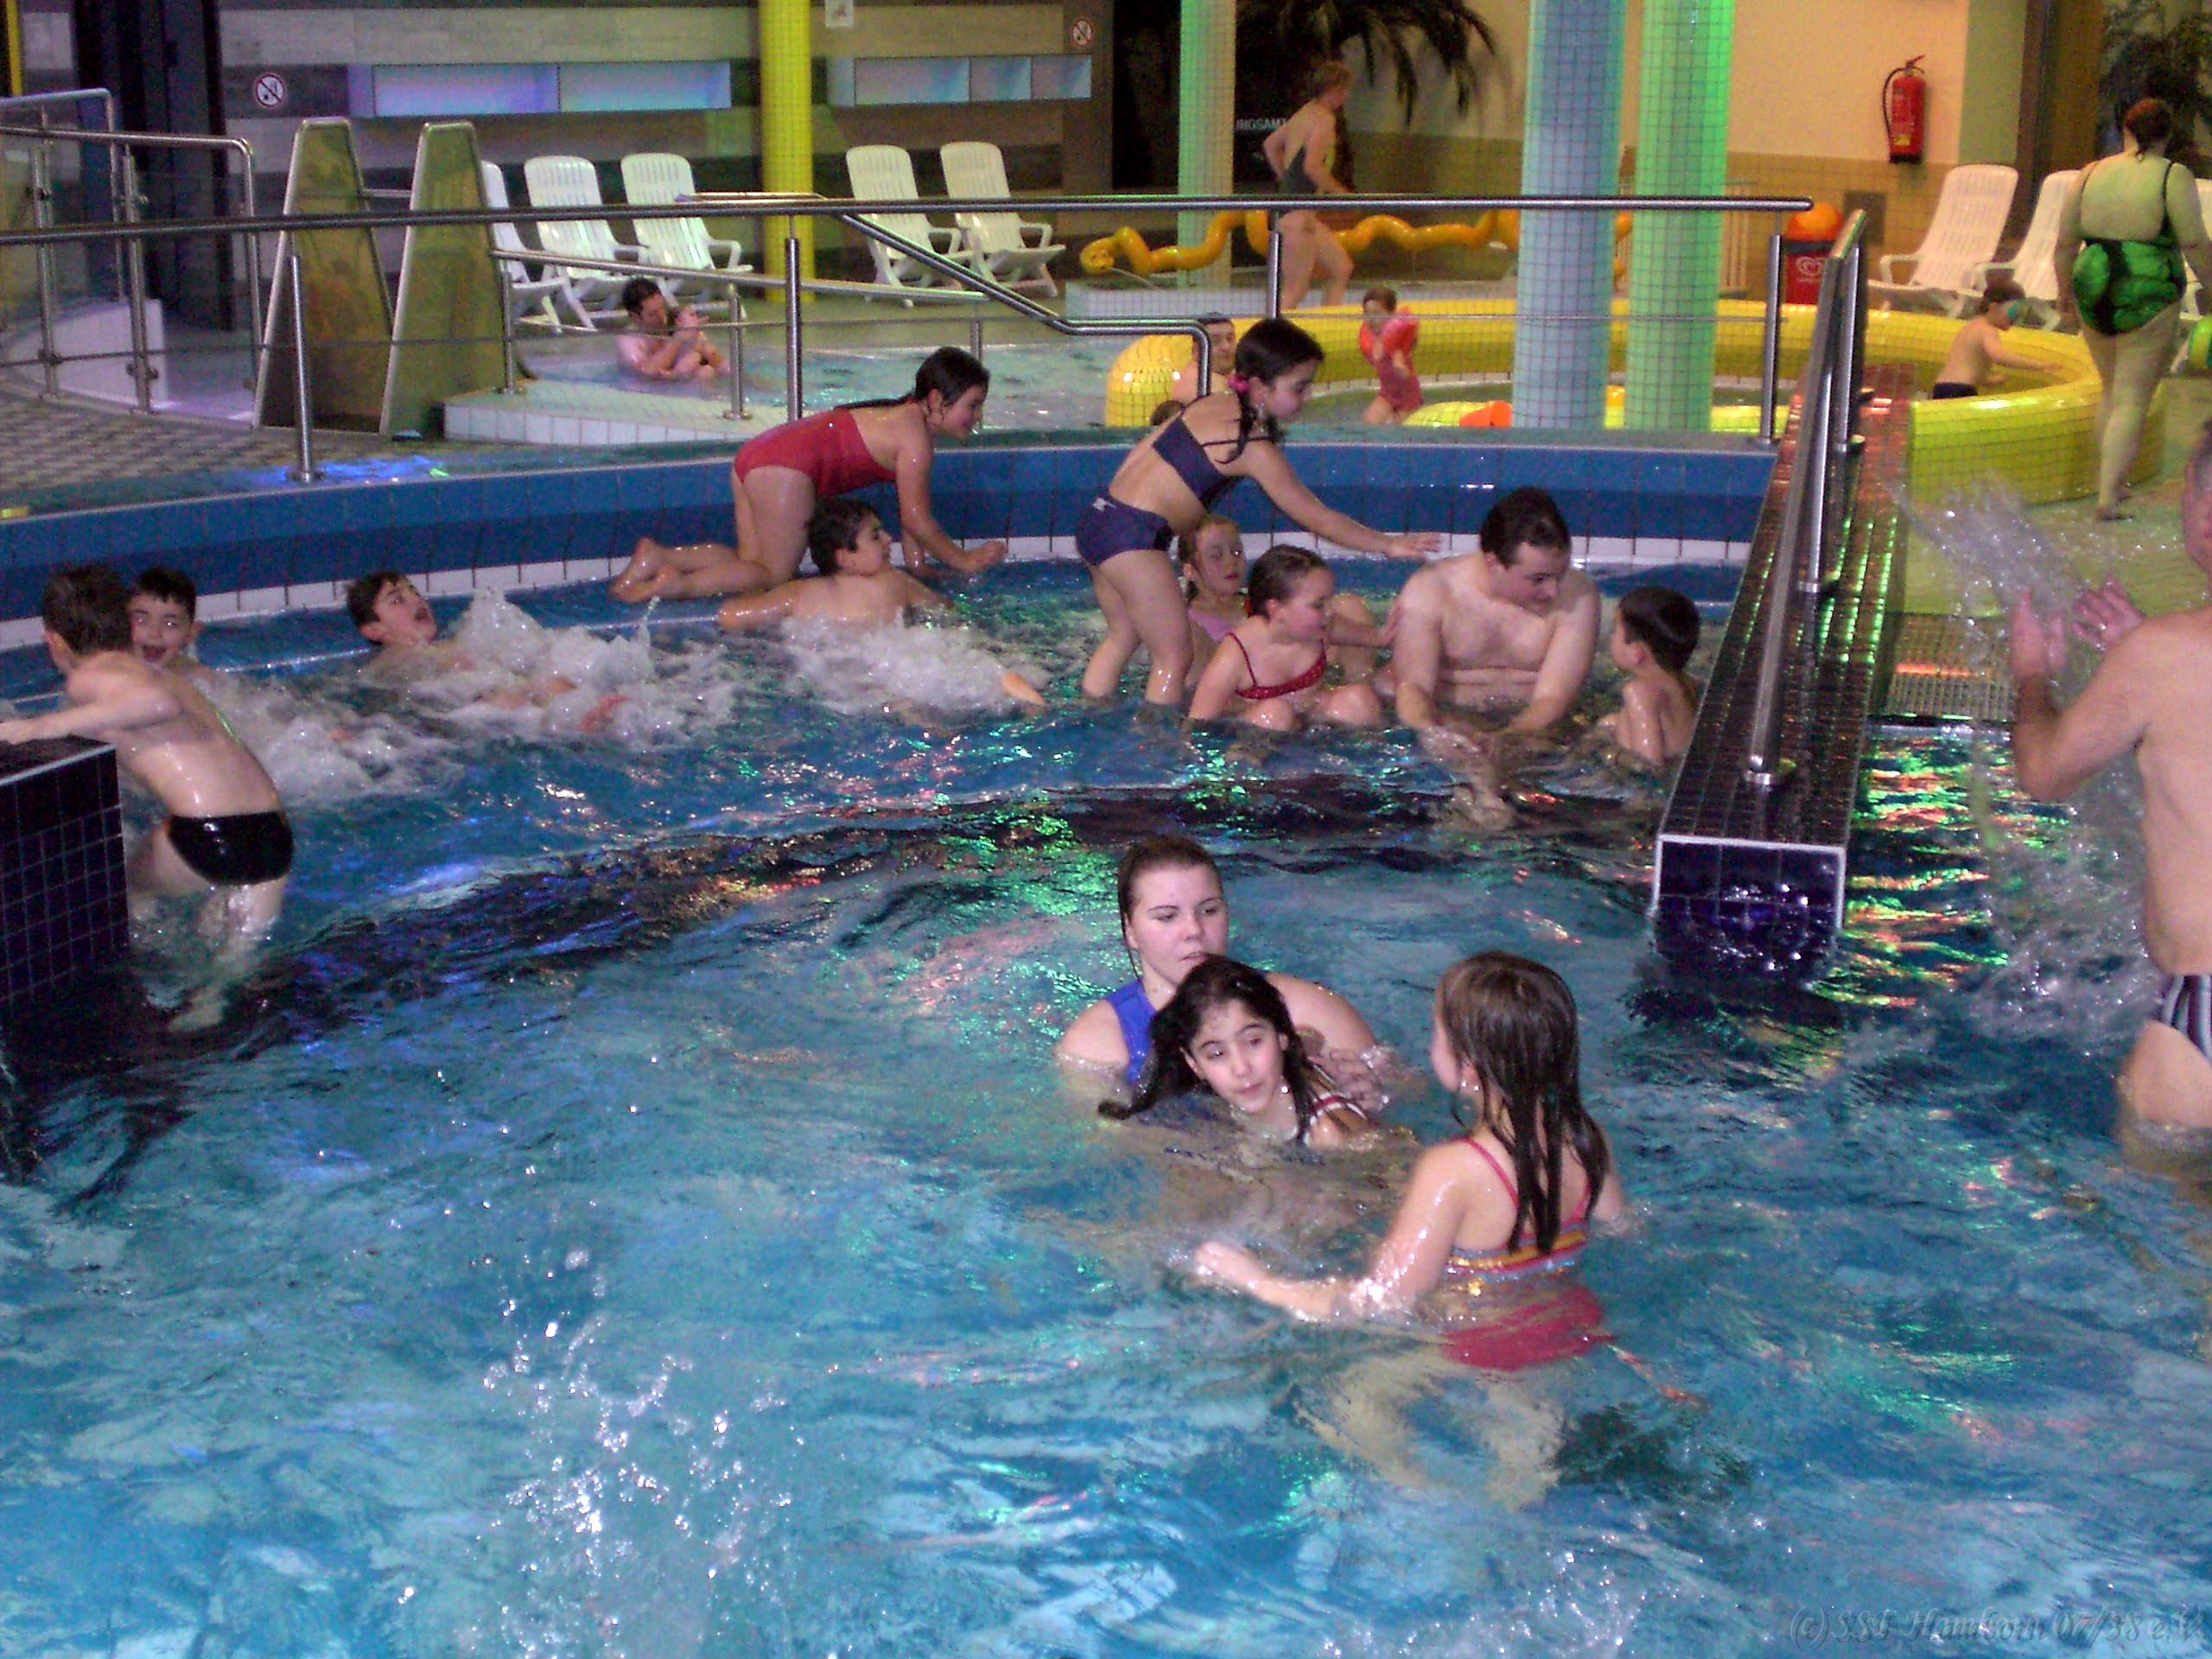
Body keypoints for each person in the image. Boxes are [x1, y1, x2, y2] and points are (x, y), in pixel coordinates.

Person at [1188, 950, 1625, 1369]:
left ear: (1467, 1066)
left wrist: (1259, 1282)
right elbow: (1621, 1229)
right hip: (1576, 1322)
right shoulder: (1586, 1138)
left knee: (1341, 1397)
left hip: (1486, 1347)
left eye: (1437, 1034)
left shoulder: (1451, 1169)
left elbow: (1381, 1302)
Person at [2009, 422, 2212, 1131]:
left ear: (2206, 516)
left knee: (2164, 1199)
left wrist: (2033, 676)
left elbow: (2044, 772)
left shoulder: (2165, 657)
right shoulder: (2161, 657)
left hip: (2203, 1013)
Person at [1077, 318, 1436, 706]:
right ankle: (1155, 738)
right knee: (1174, 658)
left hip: (1100, 517)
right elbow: (1318, 518)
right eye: (1299, 387)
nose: (1308, 396)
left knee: (1123, 636)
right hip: (1134, 539)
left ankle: (1089, 710)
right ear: (1261, 388)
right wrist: (1387, 544)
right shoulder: (1250, 446)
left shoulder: (1212, 404)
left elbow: (1141, 455)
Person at [0, 566, 291, 943]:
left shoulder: (91, 675)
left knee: (122, 898)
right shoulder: (160, 675)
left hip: (210, 832)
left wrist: (44, 725)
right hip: (273, 834)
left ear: (53, 640)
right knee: (230, 970)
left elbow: (157, 705)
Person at [610, 347, 1008, 602]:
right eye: (972, 405)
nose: (976, 417)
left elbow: (911, 516)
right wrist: (964, 561)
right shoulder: (915, 438)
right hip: (786, 468)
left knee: (751, 565)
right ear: (937, 399)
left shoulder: (903, 416)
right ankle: (674, 585)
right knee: (772, 576)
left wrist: (917, 566)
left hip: (758, 453)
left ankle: (661, 556)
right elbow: (917, 519)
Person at [1056, 835, 1381, 1096]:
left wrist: (1370, 1091)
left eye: (1209, 911)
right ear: (1130, 931)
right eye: (1167, 917)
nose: (1194, 930)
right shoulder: (1097, 1045)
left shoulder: (1308, 1010)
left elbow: (1398, 1088)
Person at [716, 499, 1048, 707]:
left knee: (901, 701)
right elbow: (946, 610)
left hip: (853, 671)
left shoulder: (800, 594)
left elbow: (730, 616)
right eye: (875, 536)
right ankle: (1033, 705)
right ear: (847, 558)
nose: (889, 539)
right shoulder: (894, 582)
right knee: (989, 672)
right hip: (902, 654)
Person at [2056, 98, 2212, 519]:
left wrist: (2064, 294)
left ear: (2125, 130)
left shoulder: (2090, 173)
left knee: (2112, 390)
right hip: (2146, 288)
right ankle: (2108, 497)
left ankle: (2111, 483)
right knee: (2131, 397)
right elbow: (2194, 241)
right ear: (2167, 135)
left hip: (2092, 281)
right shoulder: (2171, 175)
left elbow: (2065, 243)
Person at [1389, 485, 1599, 736]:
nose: (1553, 591)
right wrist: (1436, 736)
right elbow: (1413, 689)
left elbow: (1553, 700)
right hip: (1449, 718)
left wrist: (1505, 741)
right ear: (1494, 564)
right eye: (1538, 579)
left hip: (1534, 729)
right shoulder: (1431, 590)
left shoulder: (1578, 595)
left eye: (1560, 574)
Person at [1101, 957, 1374, 1148]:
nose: (1241, 1068)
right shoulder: (1213, 1099)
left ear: (1282, 1037)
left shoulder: (1328, 1134)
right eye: (1217, 1054)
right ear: (1194, 1064)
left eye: (1254, 1041)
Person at [1186, 544, 1383, 729]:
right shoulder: (1238, 652)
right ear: (1276, 609)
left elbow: (1374, 638)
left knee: (1359, 701)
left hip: (1312, 718)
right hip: (1255, 733)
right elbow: (1198, 724)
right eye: (1318, 604)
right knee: (1274, 714)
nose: (1330, 611)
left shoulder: (1319, 628)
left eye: (1329, 600)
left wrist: (1385, 639)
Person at [1262, 61, 1355, 311]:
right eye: (1343, 90)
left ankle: (1330, 324)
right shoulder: (1324, 121)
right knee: (1296, 289)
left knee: (1341, 268)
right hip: (1297, 216)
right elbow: (1312, 167)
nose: (1346, 96)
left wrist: (1286, 180)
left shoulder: (1303, 114)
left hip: (1299, 213)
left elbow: (1270, 145)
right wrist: (1342, 194)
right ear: (1332, 89)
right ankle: (1269, 332)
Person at [1596, 585, 1700, 765]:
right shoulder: (1685, 681)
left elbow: (1647, 763)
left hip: (1658, 771)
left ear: (1636, 653)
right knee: (1606, 723)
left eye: (1615, 631)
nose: (1611, 637)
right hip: (1681, 759)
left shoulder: (1639, 692)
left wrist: (1611, 755)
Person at [1928, 278, 2042, 400]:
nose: (2016, 318)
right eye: (2013, 312)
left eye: (2022, 312)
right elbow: (2000, 356)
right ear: (1993, 308)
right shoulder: (1988, 330)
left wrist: (1989, 381)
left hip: (1941, 387)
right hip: (1960, 390)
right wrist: (2038, 365)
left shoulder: (1971, 326)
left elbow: (1967, 366)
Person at [614, 276, 728, 382]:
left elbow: (708, 352)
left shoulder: (671, 321)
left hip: (675, 379)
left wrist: (695, 335)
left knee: (706, 363)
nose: (661, 316)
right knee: (703, 372)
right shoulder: (628, 340)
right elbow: (646, 373)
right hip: (647, 388)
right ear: (635, 317)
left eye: (662, 308)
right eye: (653, 314)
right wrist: (678, 339)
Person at [128, 567, 208, 675]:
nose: (154, 634)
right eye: (141, 620)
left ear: (191, 633)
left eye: (170, 624)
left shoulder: (198, 676)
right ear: (122, 623)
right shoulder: (109, 674)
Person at [1358, 287, 1421, 424]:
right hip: (1388, 394)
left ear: (1391, 315)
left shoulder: (1396, 341)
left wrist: (1399, 365)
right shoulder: (1369, 339)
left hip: (1408, 397)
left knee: (1399, 429)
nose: (1371, 319)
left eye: (1377, 314)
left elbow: (1398, 357)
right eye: (1367, 314)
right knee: (1369, 422)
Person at [1169, 315, 1238, 407]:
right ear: (1196, 350)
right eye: (1216, 341)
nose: (1226, 347)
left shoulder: (1220, 377)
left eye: (1230, 339)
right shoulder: (1207, 385)